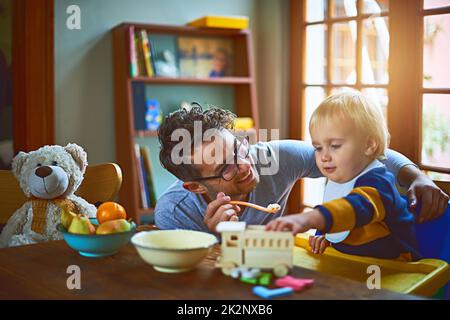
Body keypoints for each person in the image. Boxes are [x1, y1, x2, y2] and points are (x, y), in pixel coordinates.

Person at [154, 104, 448, 235]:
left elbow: (362, 155)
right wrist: (218, 238)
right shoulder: (175, 213)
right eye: (226, 168)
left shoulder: (273, 157)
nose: (245, 164)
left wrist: (417, 177)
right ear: (196, 187)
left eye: (239, 148)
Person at [266, 91, 429, 261]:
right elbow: (339, 217)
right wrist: (326, 238)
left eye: (335, 145)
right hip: (356, 269)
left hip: (397, 272)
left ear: (369, 145)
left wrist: (307, 219)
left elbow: (354, 209)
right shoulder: (339, 179)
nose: (324, 156)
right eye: (318, 148)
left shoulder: (379, 184)